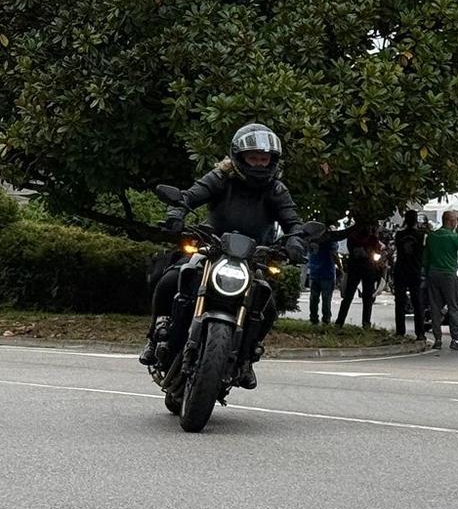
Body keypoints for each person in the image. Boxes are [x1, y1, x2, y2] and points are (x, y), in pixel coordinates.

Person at [142, 124, 308, 389]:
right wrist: (177, 212)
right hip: (212, 247)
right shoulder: (221, 177)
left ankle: (247, 358)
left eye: (264, 158)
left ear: (272, 161)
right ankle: (155, 336)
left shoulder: (276, 190)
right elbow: (190, 196)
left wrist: (297, 241)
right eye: (253, 157)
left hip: (254, 256)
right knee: (173, 277)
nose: (259, 163)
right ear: (239, 157)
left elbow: (293, 222)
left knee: (267, 306)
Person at [422, 209, 458, 351]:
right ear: (451, 221)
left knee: (435, 307)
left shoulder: (432, 236)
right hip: (448, 275)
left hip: (433, 274)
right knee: (454, 307)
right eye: (456, 221)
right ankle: (455, 339)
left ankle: (438, 339)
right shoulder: (453, 237)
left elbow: (425, 259)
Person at [392, 209, 428, 340]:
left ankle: (400, 331)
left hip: (400, 270)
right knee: (417, 302)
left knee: (399, 302)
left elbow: (397, 250)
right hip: (415, 270)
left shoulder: (399, 235)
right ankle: (420, 333)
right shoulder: (421, 235)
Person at [305, 232, 339, 325]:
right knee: (326, 299)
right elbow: (334, 255)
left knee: (314, 298)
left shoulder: (311, 239)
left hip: (314, 272)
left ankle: (313, 319)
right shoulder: (331, 240)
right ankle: (326, 320)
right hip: (327, 273)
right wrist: (341, 267)